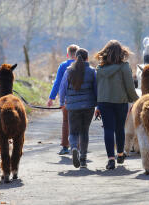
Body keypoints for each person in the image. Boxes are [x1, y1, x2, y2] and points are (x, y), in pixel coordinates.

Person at [95, 40, 139, 170]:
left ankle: (111, 159)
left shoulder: (100, 68)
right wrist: (135, 100)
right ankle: (120, 154)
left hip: (104, 102)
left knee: (108, 129)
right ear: (121, 52)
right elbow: (130, 86)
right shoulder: (124, 67)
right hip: (120, 101)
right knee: (119, 128)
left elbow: (98, 87)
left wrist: (97, 105)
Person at [59, 48, 97, 168]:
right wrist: (98, 105)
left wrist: (62, 102)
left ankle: (74, 147)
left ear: (75, 57)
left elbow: (62, 88)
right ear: (87, 58)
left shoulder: (68, 71)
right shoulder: (92, 71)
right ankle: (83, 159)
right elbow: (96, 89)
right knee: (84, 131)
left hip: (72, 107)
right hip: (88, 106)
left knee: (73, 131)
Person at [48, 44, 80, 155]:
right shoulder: (82, 65)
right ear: (78, 54)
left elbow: (57, 83)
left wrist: (51, 98)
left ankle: (65, 147)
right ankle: (77, 146)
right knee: (78, 122)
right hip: (81, 100)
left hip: (67, 100)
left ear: (68, 54)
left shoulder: (63, 66)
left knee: (66, 122)